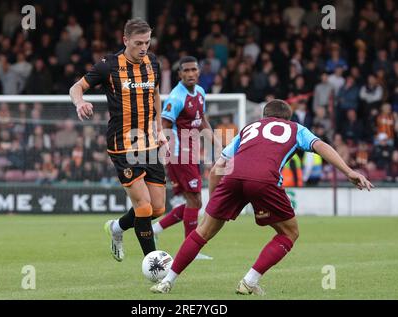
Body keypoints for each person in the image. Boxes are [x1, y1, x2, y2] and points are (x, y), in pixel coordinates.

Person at [150, 99, 373, 295]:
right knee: (290, 232)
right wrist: (349, 172)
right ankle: (249, 282)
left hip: (233, 177)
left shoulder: (249, 127)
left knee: (203, 231)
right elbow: (321, 146)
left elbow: (220, 164)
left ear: (264, 116)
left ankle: (166, 282)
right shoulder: (296, 129)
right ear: (288, 117)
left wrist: (214, 200)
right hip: (264, 180)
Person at [69, 18, 168, 261]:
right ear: (126, 41)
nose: (144, 48)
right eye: (138, 43)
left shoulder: (152, 62)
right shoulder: (108, 66)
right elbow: (76, 88)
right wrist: (80, 102)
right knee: (143, 207)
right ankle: (154, 264)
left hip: (149, 143)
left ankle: (117, 228)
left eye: (147, 42)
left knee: (158, 208)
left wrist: (159, 127)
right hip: (123, 144)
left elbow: (154, 93)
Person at [151, 56, 220, 260]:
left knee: (193, 201)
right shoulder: (176, 98)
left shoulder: (199, 92)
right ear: (179, 74)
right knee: (196, 199)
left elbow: (201, 122)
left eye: (193, 70)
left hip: (191, 152)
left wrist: (217, 144)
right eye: (186, 71)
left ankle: (156, 229)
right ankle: (191, 248)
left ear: (199, 72)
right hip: (179, 154)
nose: (190, 74)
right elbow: (163, 127)